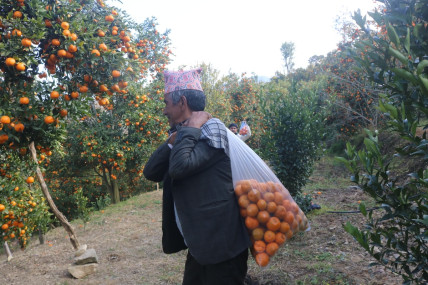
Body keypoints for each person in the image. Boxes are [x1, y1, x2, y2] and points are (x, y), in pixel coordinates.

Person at [143, 68, 251, 285]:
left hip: (223, 246)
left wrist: (190, 130)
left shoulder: (212, 131)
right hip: (201, 244)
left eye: (166, 103)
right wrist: (175, 139)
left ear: (182, 102)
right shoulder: (182, 134)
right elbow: (151, 172)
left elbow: (180, 167)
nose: (164, 110)